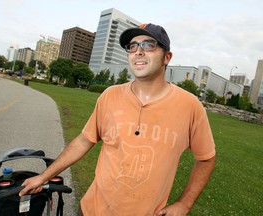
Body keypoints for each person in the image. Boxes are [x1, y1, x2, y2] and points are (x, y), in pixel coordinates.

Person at [19, 23, 216, 216]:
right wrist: (44, 176)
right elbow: (84, 140)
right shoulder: (110, 95)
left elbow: (206, 158)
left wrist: (185, 203)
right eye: (132, 46)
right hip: (91, 210)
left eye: (148, 44)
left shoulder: (190, 106)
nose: (138, 51)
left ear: (167, 57)